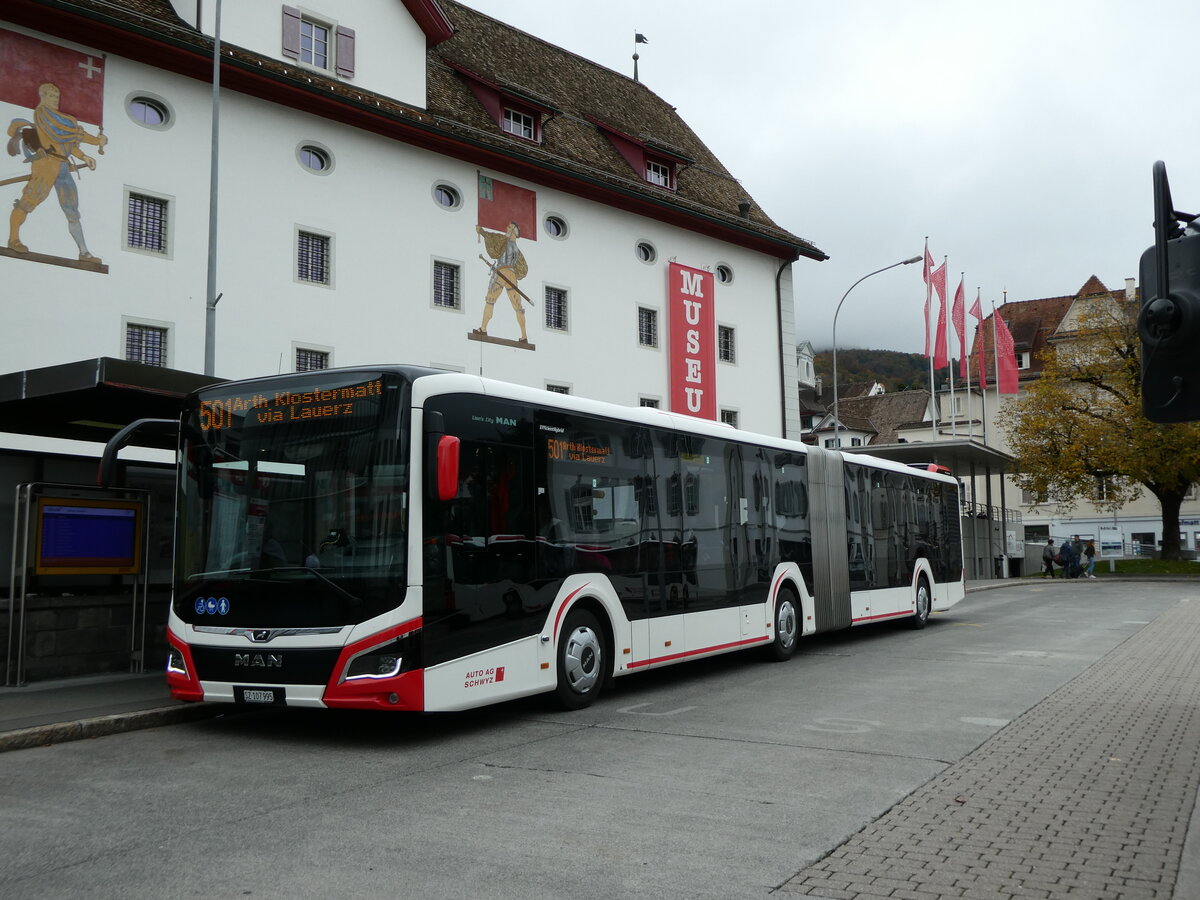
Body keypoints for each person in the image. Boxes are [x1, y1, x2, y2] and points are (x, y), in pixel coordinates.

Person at [6, 82, 107, 261]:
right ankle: (14, 239)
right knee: (28, 202)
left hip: (62, 166)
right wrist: (95, 140)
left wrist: (84, 157)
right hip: (45, 164)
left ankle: (84, 252)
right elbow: (62, 134)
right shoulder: (43, 113)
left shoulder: (62, 119)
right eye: (52, 96)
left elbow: (68, 145)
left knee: (72, 210)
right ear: (43, 96)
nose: (55, 100)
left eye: (57, 96)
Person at [474, 222, 529, 341]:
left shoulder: (504, 241)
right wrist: (482, 231)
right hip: (512, 276)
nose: (506, 228)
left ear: (514, 231)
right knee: (518, 307)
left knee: (490, 300)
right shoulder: (517, 250)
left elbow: (491, 237)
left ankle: (483, 329)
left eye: (509, 227)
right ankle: (524, 336)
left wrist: (482, 231)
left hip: (501, 273)